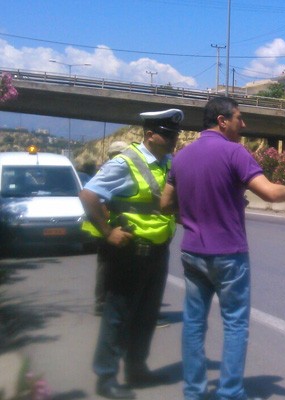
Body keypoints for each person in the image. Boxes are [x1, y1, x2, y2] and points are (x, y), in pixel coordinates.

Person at [160, 97, 285, 400]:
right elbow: (270, 193)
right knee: (235, 325)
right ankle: (230, 393)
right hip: (228, 255)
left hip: (193, 252)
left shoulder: (180, 157)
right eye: (238, 118)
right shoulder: (235, 153)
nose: (242, 124)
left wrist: (193, 216)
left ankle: (193, 392)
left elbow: (166, 203)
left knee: (193, 324)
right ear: (222, 120)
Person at [80, 109, 183, 399]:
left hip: (158, 251)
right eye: (167, 134)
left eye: (175, 134)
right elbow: (88, 195)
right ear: (149, 135)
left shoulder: (168, 164)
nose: (173, 139)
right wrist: (107, 231)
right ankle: (106, 376)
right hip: (129, 252)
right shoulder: (126, 163)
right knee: (118, 314)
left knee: (146, 315)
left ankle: (136, 369)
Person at [92, 140, 129, 316]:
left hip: (108, 226)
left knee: (109, 266)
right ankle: (102, 302)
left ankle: (109, 300)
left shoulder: (111, 170)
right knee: (107, 266)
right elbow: (100, 201)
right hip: (106, 227)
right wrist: (108, 227)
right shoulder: (110, 172)